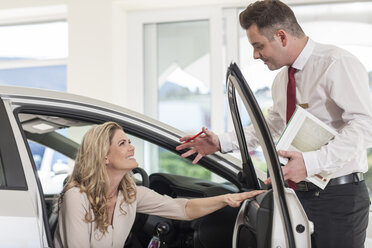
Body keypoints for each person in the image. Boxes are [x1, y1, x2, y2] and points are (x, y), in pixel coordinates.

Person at [176, 1, 372, 247]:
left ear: (281, 36)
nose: (256, 55)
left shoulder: (335, 63)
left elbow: (365, 125)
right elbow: (272, 127)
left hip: (337, 199)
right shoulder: (282, 80)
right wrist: (221, 142)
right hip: (294, 196)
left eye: (259, 46)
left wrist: (311, 163)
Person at [53, 121, 264, 248]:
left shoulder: (130, 194)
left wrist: (226, 199)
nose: (131, 148)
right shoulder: (77, 196)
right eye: (122, 143)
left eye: (129, 141)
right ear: (104, 156)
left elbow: (183, 208)